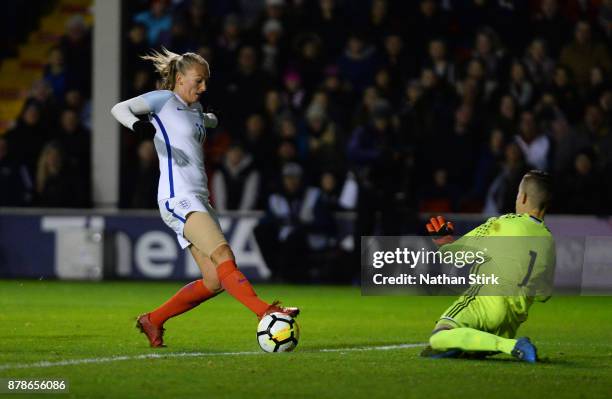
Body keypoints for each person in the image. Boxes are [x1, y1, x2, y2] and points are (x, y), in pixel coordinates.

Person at [111, 47, 298, 348]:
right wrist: (141, 126)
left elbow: (204, 122)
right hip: (178, 198)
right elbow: (119, 109)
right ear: (181, 78)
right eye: (198, 81)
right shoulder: (163, 101)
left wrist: (210, 119)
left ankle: (153, 320)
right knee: (224, 256)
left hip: (199, 198)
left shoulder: (195, 110)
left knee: (214, 280)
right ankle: (267, 312)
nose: (204, 87)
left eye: (205, 81)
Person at [422, 170, 556, 363]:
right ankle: (490, 343)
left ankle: (510, 346)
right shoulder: (548, 241)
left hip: (483, 306)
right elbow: (544, 294)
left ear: (524, 197)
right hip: (510, 323)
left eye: (518, 193)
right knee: (455, 347)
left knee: (439, 336)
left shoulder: (502, 224)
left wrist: (443, 243)